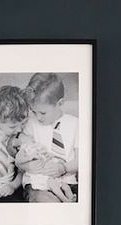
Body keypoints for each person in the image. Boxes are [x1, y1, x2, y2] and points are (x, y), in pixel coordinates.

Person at [22, 73, 79, 203]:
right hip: (38, 184)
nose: (38, 117)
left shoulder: (75, 124)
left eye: (42, 112)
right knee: (47, 203)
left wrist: (63, 168)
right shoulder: (31, 123)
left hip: (67, 182)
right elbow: (20, 148)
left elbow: (82, 159)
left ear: (60, 103)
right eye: (33, 111)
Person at [6, 131, 75, 203]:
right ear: (17, 143)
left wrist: (49, 155)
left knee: (65, 186)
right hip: (38, 177)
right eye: (23, 135)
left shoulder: (35, 146)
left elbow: (46, 154)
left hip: (50, 173)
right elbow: (18, 161)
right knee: (53, 186)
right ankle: (65, 200)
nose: (28, 136)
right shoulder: (23, 151)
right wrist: (30, 157)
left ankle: (70, 198)